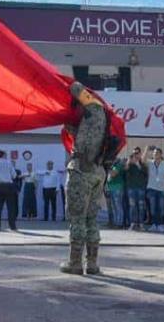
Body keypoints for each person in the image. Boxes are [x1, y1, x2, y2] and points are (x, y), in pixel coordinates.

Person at [60, 82, 107, 275]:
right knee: (91, 218)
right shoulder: (100, 118)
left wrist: (63, 82)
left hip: (81, 170)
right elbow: (84, 136)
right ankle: (93, 263)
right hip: (97, 171)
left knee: (77, 218)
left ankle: (75, 262)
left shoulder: (94, 107)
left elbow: (75, 87)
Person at [0, 150, 18, 231]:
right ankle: (12, 226)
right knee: (10, 207)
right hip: (8, 186)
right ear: (4, 155)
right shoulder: (9, 163)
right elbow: (14, 176)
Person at [146, 148, 164, 232]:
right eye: (154, 153)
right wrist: (147, 149)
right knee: (152, 208)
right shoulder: (149, 163)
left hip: (161, 188)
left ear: (161, 154)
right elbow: (142, 160)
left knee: (161, 208)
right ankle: (153, 224)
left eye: (157, 153)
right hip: (151, 187)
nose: (155, 154)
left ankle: (160, 225)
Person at [125, 147, 148, 231]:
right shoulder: (130, 164)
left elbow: (145, 173)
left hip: (141, 188)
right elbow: (125, 169)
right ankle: (132, 224)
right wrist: (129, 161)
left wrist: (138, 164)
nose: (135, 155)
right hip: (131, 188)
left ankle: (141, 224)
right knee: (132, 206)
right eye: (134, 153)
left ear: (140, 154)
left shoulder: (142, 164)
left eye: (137, 153)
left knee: (141, 206)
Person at [106, 157, 126, 229]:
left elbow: (113, 174)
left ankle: (119, 223)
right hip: (112, 188)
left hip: (117, 188)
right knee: (114, 207)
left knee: (118, 206)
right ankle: (116, 222)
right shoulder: (114, 165)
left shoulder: (118, 165)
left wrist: (109, 168)